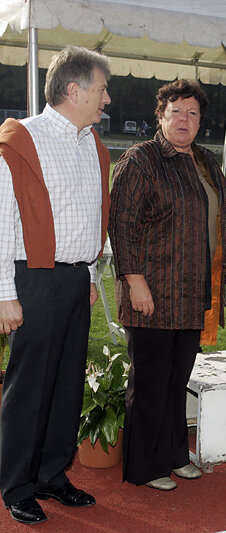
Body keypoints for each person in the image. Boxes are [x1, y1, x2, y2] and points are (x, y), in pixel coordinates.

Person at [0, 46, 111, 525]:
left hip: (74, 279)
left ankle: (50, 475)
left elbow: (88, 218)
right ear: (74, 90)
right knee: (30, 388)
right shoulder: (22, 139)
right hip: (33, 279)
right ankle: (16, 485)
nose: (107, 99)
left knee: (66, 384)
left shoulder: (92, 144)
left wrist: (89, 274)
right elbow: (2, 222)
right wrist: (4, 294)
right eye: (102, 89)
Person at [109, 79, 226, 490]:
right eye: (176, 111)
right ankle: (145, 466)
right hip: (152, 292)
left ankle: (176, 455)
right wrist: (134, 281)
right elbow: (121, 225)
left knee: (178, 381)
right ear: (160, 116)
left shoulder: (205, 161)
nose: (184, 119)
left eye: (192, 113)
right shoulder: (141, 160)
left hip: (192, 293)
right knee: (150, 383)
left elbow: (213, 218)